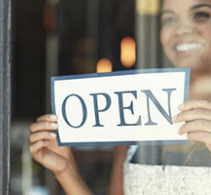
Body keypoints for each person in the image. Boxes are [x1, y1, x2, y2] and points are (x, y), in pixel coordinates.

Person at [29, 0, 211, 194]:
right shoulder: (137, 107)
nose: (182, 29)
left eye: (201, 15)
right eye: (169, 19)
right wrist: (66, 170)